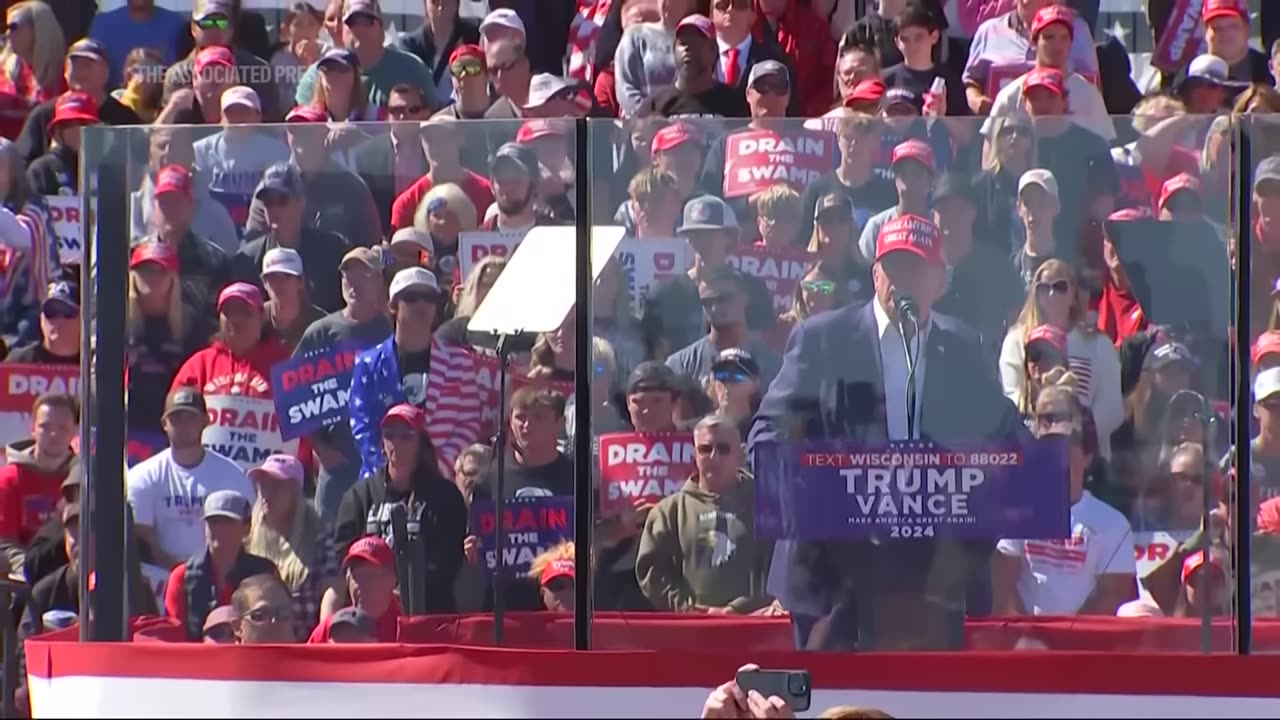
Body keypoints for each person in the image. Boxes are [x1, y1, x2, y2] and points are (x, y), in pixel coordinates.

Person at [750, 214, 1022, 651]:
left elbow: (1004, 433)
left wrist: (1034, 463)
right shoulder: (823, 338)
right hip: (834, 571)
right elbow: (770, 429)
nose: (903, 280)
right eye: (893, 268)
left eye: (916, 269)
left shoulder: (964, 347)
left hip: (933, 573)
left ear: (941, 281)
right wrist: (801, 486)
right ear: (875, 274)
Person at [993, 373, 1138, 616]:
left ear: (1088, 455)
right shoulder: (1015, 513)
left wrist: (1063, 643)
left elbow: (1110, 599)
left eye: (1069, 443)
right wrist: (1027, 637)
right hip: (1024, 646)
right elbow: (1002, 589)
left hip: (1084, 648)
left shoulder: (1113, 524)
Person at [348, 267, 484, 480]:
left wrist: (438, 468)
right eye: (411, 297)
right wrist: (392, 471)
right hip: (381, 484)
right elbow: (363, 428)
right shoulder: (368, 363)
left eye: (429, 298)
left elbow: (468, 423)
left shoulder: (460, 361)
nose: (422, 304)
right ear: (393, 306)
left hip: (441, 481)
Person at [333, 404, 467, 613]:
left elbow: (448, 560)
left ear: (421, 443)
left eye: (406, 436)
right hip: (371, 614)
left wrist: (400, 590)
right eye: (389, 435)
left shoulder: (445, 496)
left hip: (429, 613)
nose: (396, 442)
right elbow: (343, 556)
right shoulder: (359, 496)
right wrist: (378, 590)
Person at [636, 413, 773, 613]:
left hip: (754, 626)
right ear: (694, 455)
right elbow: (652, 572)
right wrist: (686, 608)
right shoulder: (668, 512)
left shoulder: (768, 506)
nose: (713, 457)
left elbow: (780, 568)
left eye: (723, 449)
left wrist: (742, 608)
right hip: (689, 632)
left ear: (740, 454)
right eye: (705, 449)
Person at [295, 246, 392, 522]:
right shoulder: (321, 332)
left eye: (364, 275)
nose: (354, 283)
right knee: (329, 544)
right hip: (337, 466)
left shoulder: (392, 329)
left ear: (380, 283)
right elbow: (292, 396)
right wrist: (320, 448)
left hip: (383, 463)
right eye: (348, 276)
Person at [126, 388, 256, 569]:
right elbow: (143, 540)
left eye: (191, 417)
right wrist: (181, 575)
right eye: (177, 418)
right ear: (164, 423)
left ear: (206, 421)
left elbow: (247, 536)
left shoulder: (234, 476)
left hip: (222, 579)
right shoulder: (142, 476)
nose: (184, 424)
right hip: (159, 581)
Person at [233, 162, 350, 314]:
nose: (274, 210)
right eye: (269, 203)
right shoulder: (246, 261)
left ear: (301, 202)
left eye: (282, 201)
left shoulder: (333, 250)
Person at [165, 489, 279, 641]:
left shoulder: (265, 574)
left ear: (246, 528)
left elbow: (274, 630)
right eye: (213, 522)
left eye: (227, 522)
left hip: (251, 659)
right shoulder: (182, 576)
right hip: (197, 660)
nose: (219, 529)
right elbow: (174, 637)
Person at [246, 454, 337, 638]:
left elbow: (334, 588)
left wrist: (323, 640)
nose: (267, 492)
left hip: (305, 647)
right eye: (262, 483)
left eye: (277, 485)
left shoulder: (320, 537)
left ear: (295, 492)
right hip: (256, 648)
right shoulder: (247, 538)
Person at [15, 39, 141, 167]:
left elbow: (141, 167)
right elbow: (20, 165)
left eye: (88, 64)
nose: (80, 70)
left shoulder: (125, 119)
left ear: (106, 72)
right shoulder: (43, 116)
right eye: (74, 64)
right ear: (65, 71)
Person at [0, 393, 78, 577]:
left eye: (62, 428)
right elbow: (5, 544)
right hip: (24, 580)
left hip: (72, 577)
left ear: (74, 432)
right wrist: (31, 572)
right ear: (33, 429)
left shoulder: (83, 478)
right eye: (45, 427)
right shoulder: (8, 479)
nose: (54, 434)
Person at [161, 0, 280, 121]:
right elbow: (167, 134)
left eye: (221, 22)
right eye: (206, 22)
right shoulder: (177, 75)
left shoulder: (258, 70)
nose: (214, 28)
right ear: (193, 28)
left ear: (232, 28)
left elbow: (271, 128)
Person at [637, 14, 749, 119]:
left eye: (696, 43)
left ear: (713, 50)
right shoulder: (655, 106)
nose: (688, 48)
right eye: (683, 43)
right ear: (673, 51)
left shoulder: (734, 103)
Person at [474, 386, 574, 501]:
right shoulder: (488, 480)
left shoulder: (578, 477)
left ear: (560, 422)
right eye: (520, 417)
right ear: (511, 421)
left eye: (538, 417)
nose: (527, 425)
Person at [308, 536, 400, 642]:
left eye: (370, 577)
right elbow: (305, 658)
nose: (360, 585)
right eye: (355, 577)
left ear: (391, 581)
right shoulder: (332, 629)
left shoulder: (408, 629)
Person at [395, 0, 480, 106]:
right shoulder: (410, 44)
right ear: (425, 3)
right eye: (434, 1)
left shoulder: (475, 34)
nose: (441, 5)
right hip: (425, 116)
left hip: (466, 114)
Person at [88, 0, 187, 86]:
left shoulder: (177, 24)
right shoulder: (102, 25)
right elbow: (90, 75)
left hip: (163, 103)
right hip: (114, 102)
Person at [256, 248, 326, 351]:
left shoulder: (321, 324)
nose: (279, 283)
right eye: (272, 277)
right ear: (264, 284)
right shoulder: (255, 320)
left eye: (287, 276)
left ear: (301, 281)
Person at [6, 281, 80, 365]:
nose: (58, 320)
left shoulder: (95, 363)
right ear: (41, 318)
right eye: (51, 312)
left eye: (67, 313)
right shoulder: (18, 362)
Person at [230, 573, 299, 644]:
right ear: (238, 627)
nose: (275, 622)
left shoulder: (307, 654)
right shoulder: (222, 655)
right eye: (261, 616)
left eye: (284, 613)